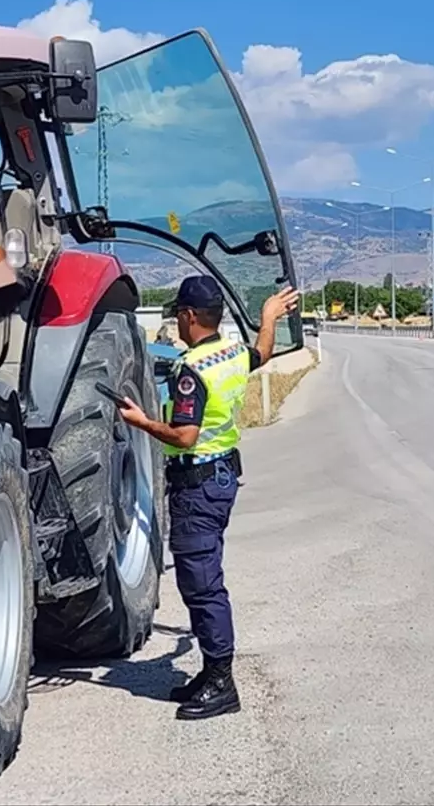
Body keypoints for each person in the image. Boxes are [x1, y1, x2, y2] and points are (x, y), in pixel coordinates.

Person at [116, 276, 299, 721]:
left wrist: (140, 421)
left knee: (202, 583)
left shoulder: (190, 370)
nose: (177, 321)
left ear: (189, 316)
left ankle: (221, 681)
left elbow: (183, 434)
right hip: (220, 480)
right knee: (203, 577)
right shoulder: (232, 353)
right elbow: (263, 354)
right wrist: (268, 318)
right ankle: (210, 671)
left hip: (198, 485)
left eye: (178, 313)